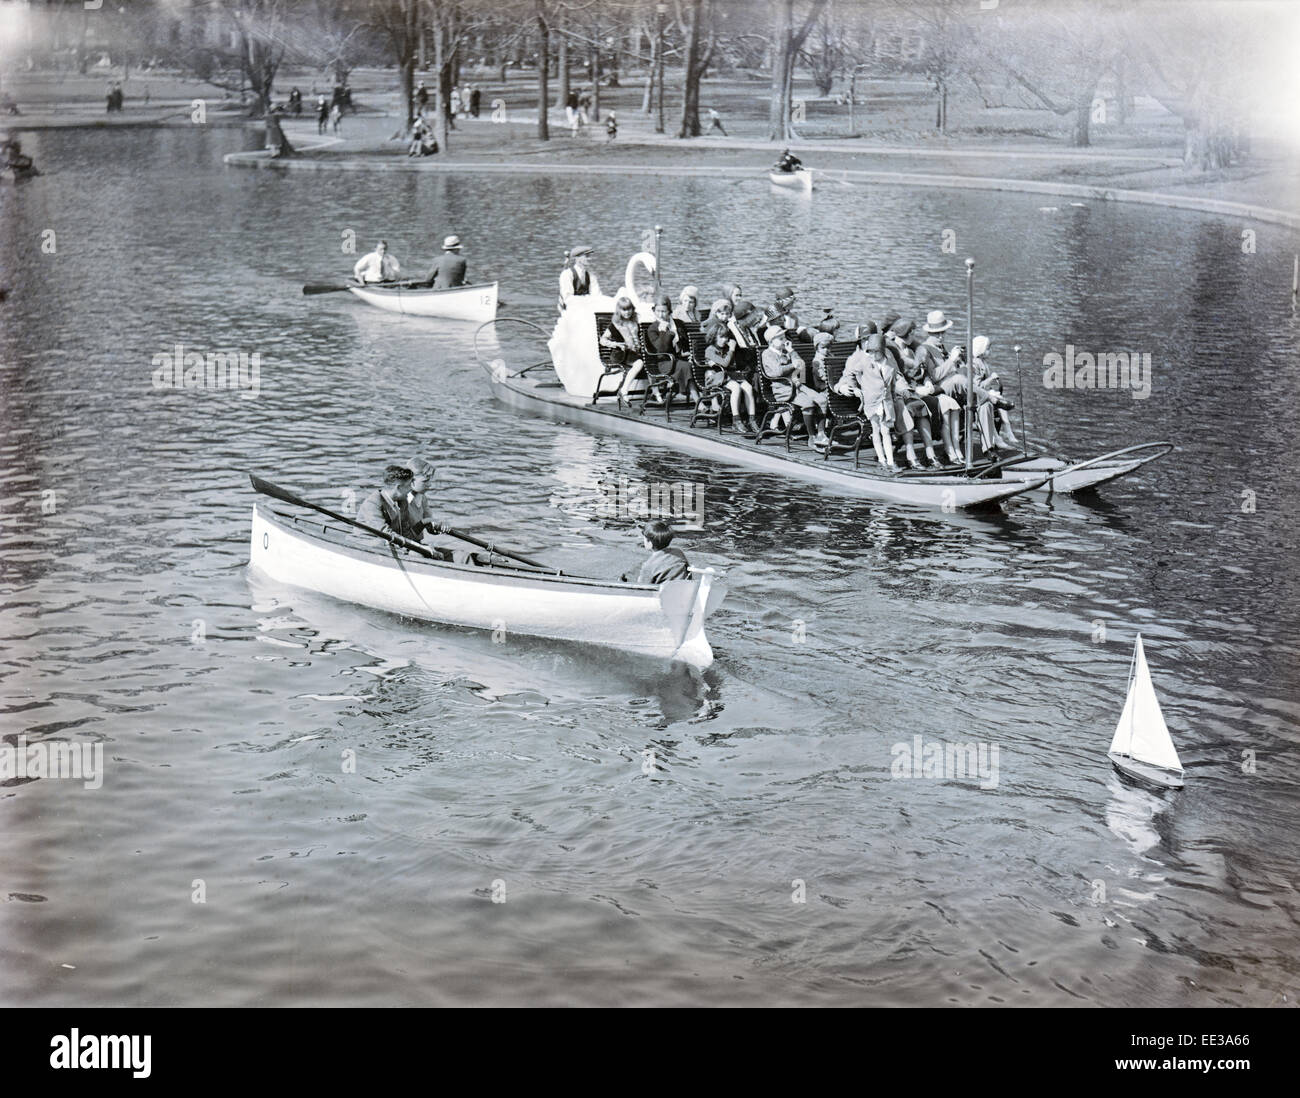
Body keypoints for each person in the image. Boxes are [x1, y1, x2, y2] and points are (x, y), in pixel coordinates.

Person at [838, 332, 902, 471]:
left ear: (882, 351)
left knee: (886, 431)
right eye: (869, 352)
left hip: (886, 401)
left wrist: (898, 392)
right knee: (876, 429)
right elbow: (850, 373)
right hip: (872, 402)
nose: (872, 355)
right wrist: (856, 387)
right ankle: (882, 460)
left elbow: (894, 381)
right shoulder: (865, 362)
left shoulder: (889, 363)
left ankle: (890, 461)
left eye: (875, 352)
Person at [761, 326, 828, 447]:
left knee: (822, 400)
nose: (784, 340)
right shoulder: (767, 354)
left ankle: (821, 434)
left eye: (784, 337)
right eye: (780, 338)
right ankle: (811, 437)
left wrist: (791, 351)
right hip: (783, 390)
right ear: (771, 341)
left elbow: (801, 364)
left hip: (797, 386)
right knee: (808, 403)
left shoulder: (786, 352)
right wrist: (793, 365)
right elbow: (777, 372)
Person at [704, 327, 759, 435]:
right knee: (736, 387)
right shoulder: (710, 350)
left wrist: (732, 350)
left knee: (748, 387)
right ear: (714, 337)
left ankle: (752, 419)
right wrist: (732, 350)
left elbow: (732, 364)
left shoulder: (726, 349)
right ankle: (736, 420)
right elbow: (725, 364)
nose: (724, 340)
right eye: (721, 337)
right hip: (716, 377)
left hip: (730, 375)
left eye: (726, 337)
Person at [643, 294, 693, 403]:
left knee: (693, 365)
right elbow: (661, 349)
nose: (661, 315)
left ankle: (704, 400)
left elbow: (685, 343)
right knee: (686, 366)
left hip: (680, 358)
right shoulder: (653, 328)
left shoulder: (678, 324)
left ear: (669, 311)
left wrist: (688, 353)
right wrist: (663, 332)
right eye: (658, 311)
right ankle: (699, 402)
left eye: (664, 311)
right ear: (654, 311)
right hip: (664, 361)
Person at [599, 294, 645, 402]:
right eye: (624, 310)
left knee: (648, 360)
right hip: (620, 353)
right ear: (619, 311)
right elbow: (602, 340)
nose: (627, 312)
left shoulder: (634, 322)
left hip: (633, 353)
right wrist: (615, 344)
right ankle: (624, 389)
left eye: (629, 309)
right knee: (639, 363)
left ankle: (656, 393)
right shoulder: (615, 325)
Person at [356, 465, 422, 541]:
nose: (411, 489)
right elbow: (384, 532)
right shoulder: (372, 503)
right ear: (398, 487)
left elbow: (405, 532)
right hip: (367, 542)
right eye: (409, 485)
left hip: (389, 542)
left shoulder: (402, 501)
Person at [634, 520, 690, 585]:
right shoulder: (678, 552)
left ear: (649, 543)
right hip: (684, 589)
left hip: (662, 593)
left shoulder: (649, 566)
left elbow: (641, 587)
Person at [558, 245, 600, 309]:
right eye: (587, 256)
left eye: (590, 256)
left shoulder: (591, 276)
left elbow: (597, 296)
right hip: (569, 311)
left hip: (586, 309)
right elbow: (568, 299)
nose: (590, 259)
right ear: (577, 258)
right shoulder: (567, 275)